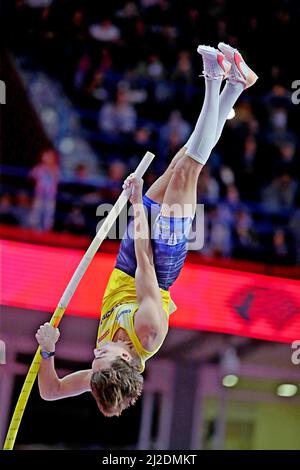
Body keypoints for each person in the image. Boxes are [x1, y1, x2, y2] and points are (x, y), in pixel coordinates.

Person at [35, 43, 258, 417]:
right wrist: (136, 204)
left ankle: (237, 85)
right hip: (159, 263)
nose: (94, 352)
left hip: (126, 266)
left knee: (175, 165)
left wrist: (47, 350)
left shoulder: (101, 372)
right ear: (126, 356)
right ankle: (216, 79)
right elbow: (146, 262)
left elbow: (51, 391)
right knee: (188, 169)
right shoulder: (149, 331)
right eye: (101, 356)